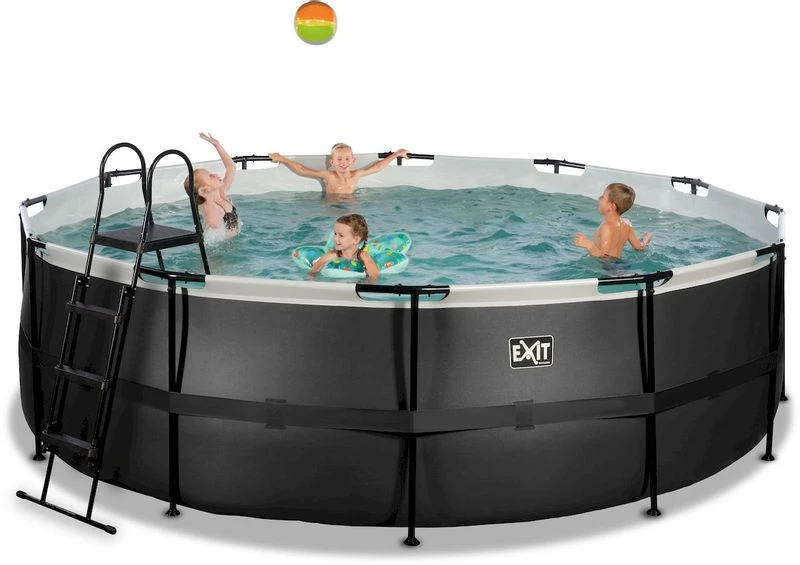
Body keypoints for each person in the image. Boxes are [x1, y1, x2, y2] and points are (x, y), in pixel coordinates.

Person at [269, 143, 409, 195]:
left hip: (351, 204)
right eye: (339, 159)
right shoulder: (328, 176)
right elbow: (303, 170)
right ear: (332, 162)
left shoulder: (356, 175)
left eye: (347, 159)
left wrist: (396, 154)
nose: (343, 163)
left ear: (353, 161)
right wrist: (282, 158)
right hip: (331, 206)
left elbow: (377, 167)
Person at [573, 182, 652, 259]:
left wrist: (588, 245)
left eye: (602, 197)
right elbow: (638, 247)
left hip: (608, 266)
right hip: (621, 264)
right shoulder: (626, 225)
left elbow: (605, 257)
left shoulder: (607, 227)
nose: (599, 198)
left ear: (611, 207)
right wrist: (645, 241)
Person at [184, 132, 239, 237]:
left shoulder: (221, 192)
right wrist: (207, 197)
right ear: (204, 190)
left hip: (232, 244)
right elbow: (215, 224)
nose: (215, 174)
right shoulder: (207, 208)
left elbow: (231, 167)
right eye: (210, 176)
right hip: (218, 248)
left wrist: (217, 145)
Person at [309, 213, 380, 280]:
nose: (335, 238)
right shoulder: (332, 254)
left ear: (356, 240)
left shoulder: (363, 255)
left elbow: (374, 275)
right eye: (335, 234)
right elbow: (313, 271)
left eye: (341, 235)